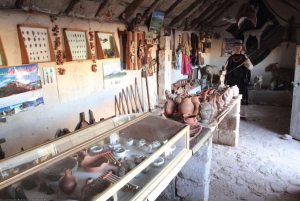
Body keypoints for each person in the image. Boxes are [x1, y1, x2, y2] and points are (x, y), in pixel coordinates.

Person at [224, 39, 253, 118]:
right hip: (232, 80)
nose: (237, 48)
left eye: (239, 47)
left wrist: (247, 64)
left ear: (241, 48)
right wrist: (225, 78)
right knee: (232, 96)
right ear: (234, 48)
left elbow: (250, 67)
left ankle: (244, 113)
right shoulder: (230, 58)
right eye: (236, 47)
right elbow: (226, 69)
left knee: (243, 96)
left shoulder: (245, 57)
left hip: (242, 80)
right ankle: (233, 112)